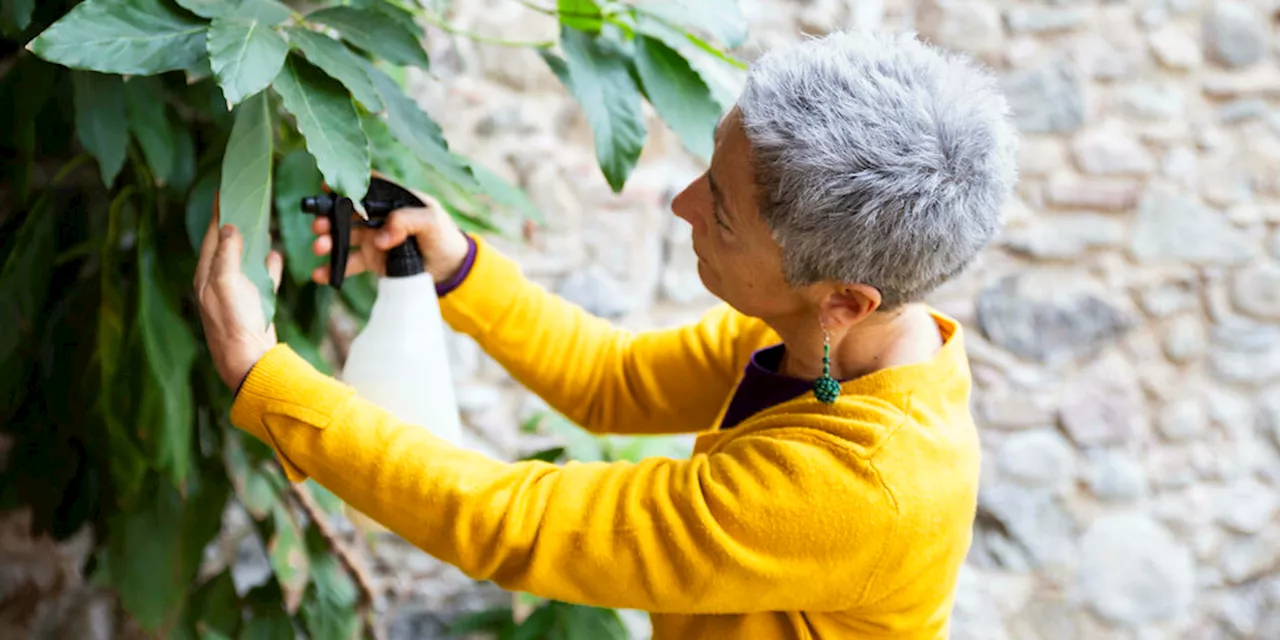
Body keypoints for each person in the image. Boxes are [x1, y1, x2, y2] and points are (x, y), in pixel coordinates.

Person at [195, 29, 1018, 639]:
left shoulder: (860, 486)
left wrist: (261, 375)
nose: (682, 204)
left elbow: (514, 522)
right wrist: (457, 267)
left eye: (721, 215)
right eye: (709, 168)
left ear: (844, 300)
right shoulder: (832, 345)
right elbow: (613, 381)